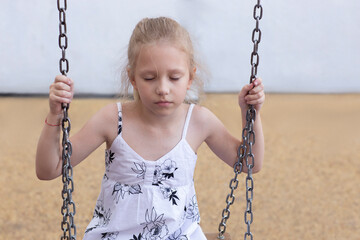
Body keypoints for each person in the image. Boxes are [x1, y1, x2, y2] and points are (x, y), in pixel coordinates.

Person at [36, 17, 265, 240]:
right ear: (133, 78)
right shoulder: (112, 120)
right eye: (149, 78)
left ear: (190, 77)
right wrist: (55, 115)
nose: (163, 88)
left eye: (174, 77)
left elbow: (248, 163)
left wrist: (250, 114)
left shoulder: (198, 121)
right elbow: (50, 169)